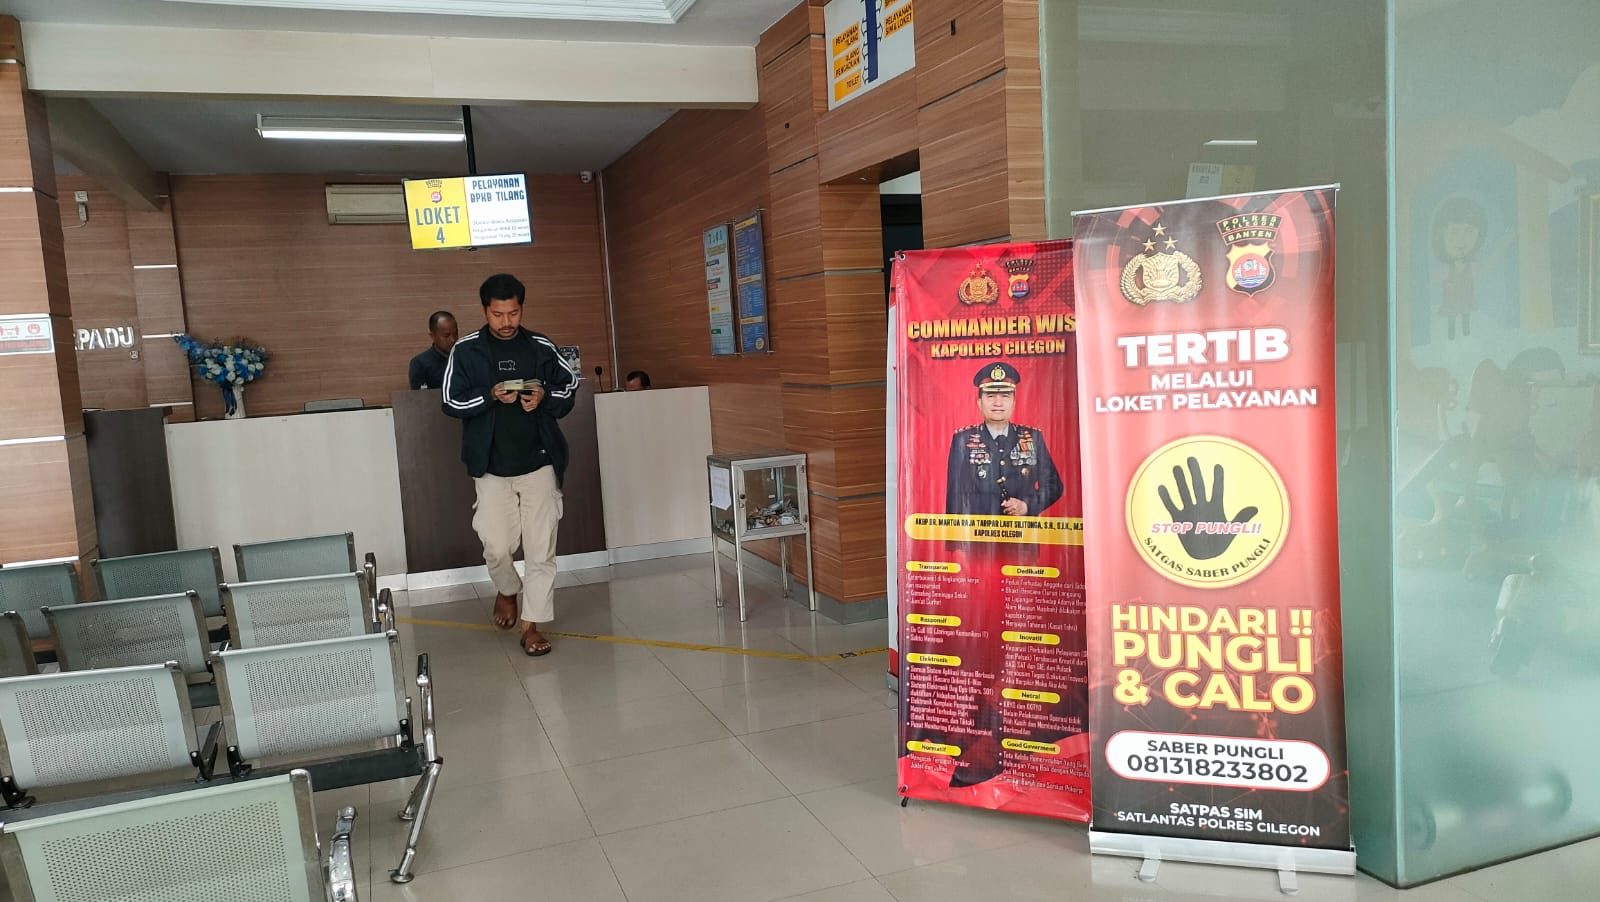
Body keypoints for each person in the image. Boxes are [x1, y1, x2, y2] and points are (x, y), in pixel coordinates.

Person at [441, 274, 579, 656]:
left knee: (541, 549)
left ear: (522, 308)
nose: (506, 322)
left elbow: (569, 387)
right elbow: (450, 401)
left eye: (514, 313)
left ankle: (531, 625)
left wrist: (544, 396)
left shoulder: (540, 346)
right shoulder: (466, 350)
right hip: (490, 467)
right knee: (497, 545)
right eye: (498, 314)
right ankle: (507, 588)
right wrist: (489, 396)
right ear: (485, 310)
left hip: (539, 462)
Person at [945, 361, 1063, 516]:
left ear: (1014, 402)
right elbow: (955, 497)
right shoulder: (963, 440)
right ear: (979, 402)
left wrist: (1027, 505)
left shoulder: (1033, 438)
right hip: (979, 530)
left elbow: (1054, 485)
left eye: (1005, 396)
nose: (998, 403)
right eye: (991, 396)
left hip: (1021, 530)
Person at [408, 311, 458, 389]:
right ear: (432, 336)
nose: (453, 340)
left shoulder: (465, 358)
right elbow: (420, 395)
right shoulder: (420, 363)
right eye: (446, 336)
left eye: (455, 334)